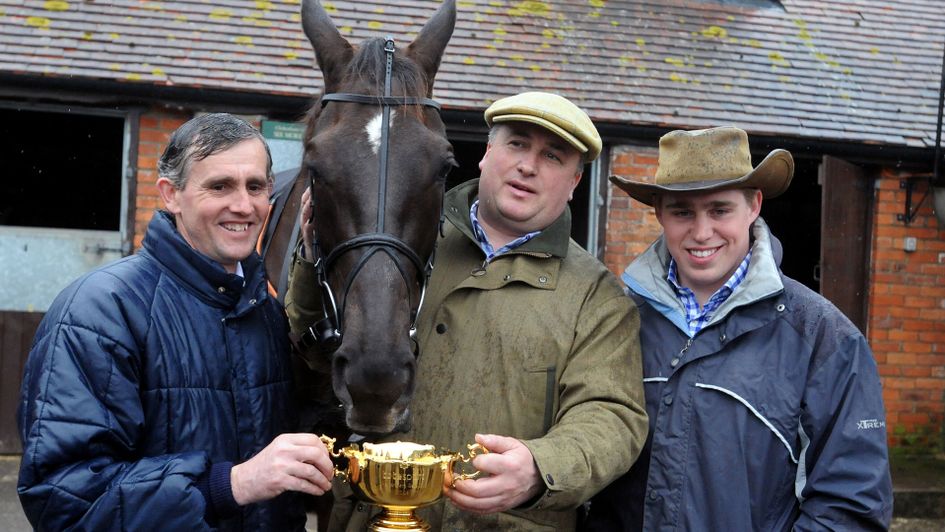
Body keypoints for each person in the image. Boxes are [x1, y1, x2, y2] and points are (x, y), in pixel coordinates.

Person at [284, 91, 648, 531]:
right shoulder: (401, 245)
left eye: (552, 156)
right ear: (486, 153)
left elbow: (612, 417)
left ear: (574, 183)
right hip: (369, 518)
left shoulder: (598, 298)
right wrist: (311, 260)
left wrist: (540, 467)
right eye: (516, 144)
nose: (528, 166)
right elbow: (316, 353)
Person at [17, 113, 334, 531]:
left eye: (255, 186)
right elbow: (64, 499)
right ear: (171, 194)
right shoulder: (100, 311)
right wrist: (231, 484)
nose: (243, 205)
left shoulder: (264, 313)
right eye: (219, 186)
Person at [583, 126, 893, 530]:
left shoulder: (824, 337)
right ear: (659, 213)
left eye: (719, 210)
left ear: (754, 206)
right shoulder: (618, 320)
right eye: (682, 212)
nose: (701, 232)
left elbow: (852, 507)